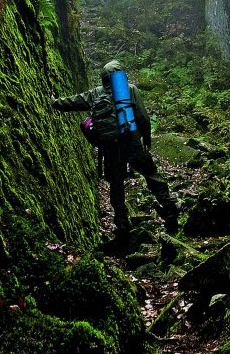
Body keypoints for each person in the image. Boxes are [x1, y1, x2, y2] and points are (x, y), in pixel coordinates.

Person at [52, 59, 180, 245]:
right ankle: (169, 206)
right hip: (132, 142)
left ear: (103, 76)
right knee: (151, 173)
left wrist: (56, 102)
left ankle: (122, 223)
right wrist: (146, 138)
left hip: (110, 148)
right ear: (120, 75)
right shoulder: (130, 89)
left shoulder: (96, 93)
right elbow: (143, 116)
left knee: (116, 183)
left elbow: (75, 102)